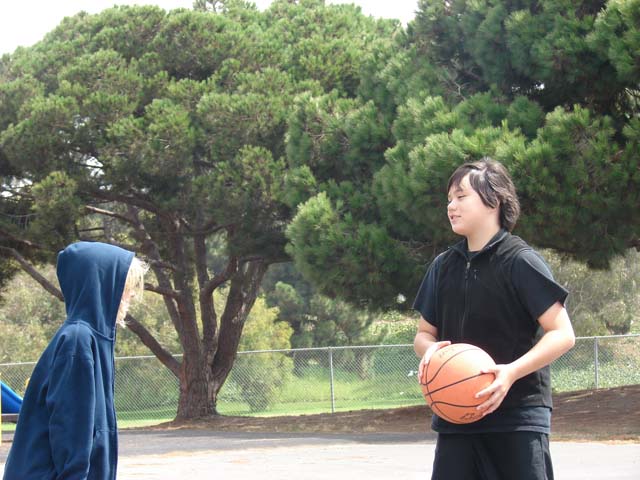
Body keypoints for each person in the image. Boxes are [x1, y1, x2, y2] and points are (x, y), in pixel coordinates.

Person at [413, 158, 575, 480]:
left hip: (517, 418)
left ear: (494, 200)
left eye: (461, 196)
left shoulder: (520, 261)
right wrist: (431, 352)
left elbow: (562, 333)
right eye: (449, 199)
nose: (451, 206)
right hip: (456, 419)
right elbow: (423, 334)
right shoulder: (443, 266)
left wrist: (510, 373)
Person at [3, 241, 147, 480]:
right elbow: (71, 435)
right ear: (99, 285)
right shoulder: (78, 341)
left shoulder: (90, 339)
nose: (131, 293)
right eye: (125, 285)